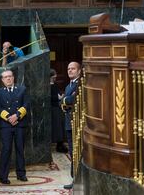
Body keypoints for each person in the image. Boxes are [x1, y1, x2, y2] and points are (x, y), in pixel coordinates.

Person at [0, 69, 29, 184]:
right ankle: (3, 176)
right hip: (6, 125)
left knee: (20, 149)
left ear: (13, 78)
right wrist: (9, 117)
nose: (8, 79)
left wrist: (17, 116)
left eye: (10, 76)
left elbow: (26, 104)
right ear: (2, 80)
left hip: (20, 124)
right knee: (6, 149)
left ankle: (21, 174)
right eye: (5, 77)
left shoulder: (22, 89)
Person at [60, 62, 81, 190]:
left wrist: (65, 100)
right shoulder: (69, 86)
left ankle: (77, 180)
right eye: (68, 69)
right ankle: (74, 178)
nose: (70, 71)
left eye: (73, 68)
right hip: (69, 122)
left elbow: (72, 100)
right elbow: (62, 101)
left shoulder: (80, 84)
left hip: (77, 122)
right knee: (72, 151)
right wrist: (65, 100)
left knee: (76, 151)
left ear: (79, 71)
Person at [50, 69, 68, 153]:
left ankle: (60, 144)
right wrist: (59, 98)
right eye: (54, 74)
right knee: (57, 127)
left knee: (60, 126)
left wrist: (60, 97)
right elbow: (50, 97)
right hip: (53, 108)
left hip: (57, 107)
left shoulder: (54, 85)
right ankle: (59, 144)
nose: (56, 76)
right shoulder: (49, 86)